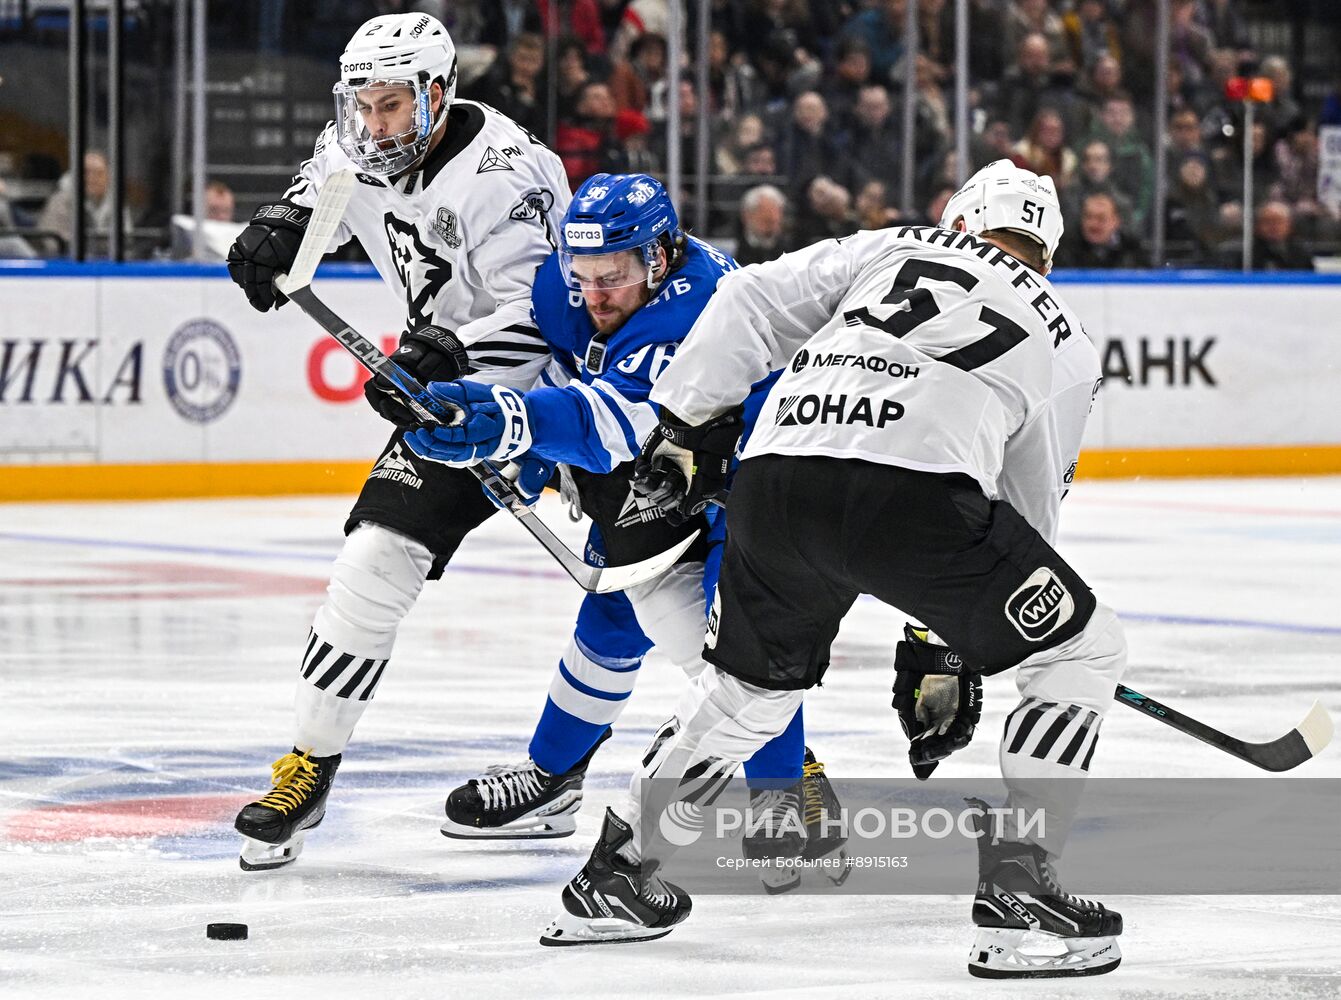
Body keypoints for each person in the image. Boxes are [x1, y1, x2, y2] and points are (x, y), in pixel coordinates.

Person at [543, 160, 1129, 982]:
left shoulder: (894, 245)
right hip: (919, 501)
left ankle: (618, 873)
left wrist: (680, 423)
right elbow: (1024, 512)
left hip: (776, 475)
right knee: (1081, 652)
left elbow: (748, 302)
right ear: (1048, 255)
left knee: (749, 691)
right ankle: (1019, 886)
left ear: (955, 221)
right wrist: (952, 639)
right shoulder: (1061, 330)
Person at [402, 174, 846, 890]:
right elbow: (563, 368)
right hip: (672, 467)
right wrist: (463, 378)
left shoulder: (695, 310)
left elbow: (616, 423)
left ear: (660, 259)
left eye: (612, 278)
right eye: (583, 278)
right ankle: (553, 778)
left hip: (755, 482)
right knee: (611, 615)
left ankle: (789, 803)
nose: (594, 297)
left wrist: (514, 429)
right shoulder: (567, 286)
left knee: (743, 650)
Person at [224, 11, 572, 871]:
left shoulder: (509, 175)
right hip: (445, 405)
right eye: (363, 105)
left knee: (656, 583)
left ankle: (786, 763)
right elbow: (318, 208)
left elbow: (551, 308)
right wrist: (280, 236)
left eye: (392, 107)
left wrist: (453, 347)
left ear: (439, 94)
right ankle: (308, 760)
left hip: (564, 399)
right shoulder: (354, 145)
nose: (375, 125)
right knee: (371, 564)